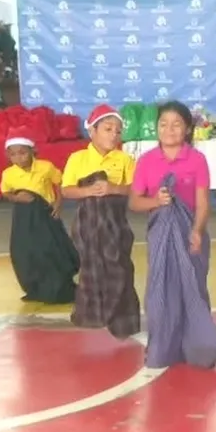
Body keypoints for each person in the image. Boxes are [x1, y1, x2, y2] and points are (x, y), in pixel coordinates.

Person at [129, 101, 216, 369]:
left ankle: (199, 346)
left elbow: (203, 203)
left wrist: (197, 231)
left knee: (193, 289)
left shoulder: (196, 160)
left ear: (187, 129)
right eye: (163, 124)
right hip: (160, 237)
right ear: (156, 128)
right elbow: (135, 203)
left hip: (190, 235)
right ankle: (164, 347)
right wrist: (156, 202)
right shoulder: (147, 161)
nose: (169, 129)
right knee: (160, 291)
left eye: (176, 124)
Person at [61, 104, 139, 339]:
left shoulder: (125, 159)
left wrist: (112, 188)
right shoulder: (78, 158)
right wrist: (89, 191)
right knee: (91, 267)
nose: (114, 134)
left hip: (115, 222)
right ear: (92, 131)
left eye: (118, 130)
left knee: (120, 267)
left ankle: (123, 319)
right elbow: (67, 190)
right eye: (107, 129)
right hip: (88, 222)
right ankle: (91, 315)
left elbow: (135, 190)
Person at [0, 128, 77, 304]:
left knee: (49, 250)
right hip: (23, 218)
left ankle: (58, 288)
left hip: (44, 214)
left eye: (22, 153)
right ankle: (35, 289)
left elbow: (59, 183)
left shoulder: (45, 167)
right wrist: (15, 197)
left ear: (32, 151)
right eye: (13, 155)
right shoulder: (8, 174)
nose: (19, 158)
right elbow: (6, 192)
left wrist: (58, 202)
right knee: (26, 252)